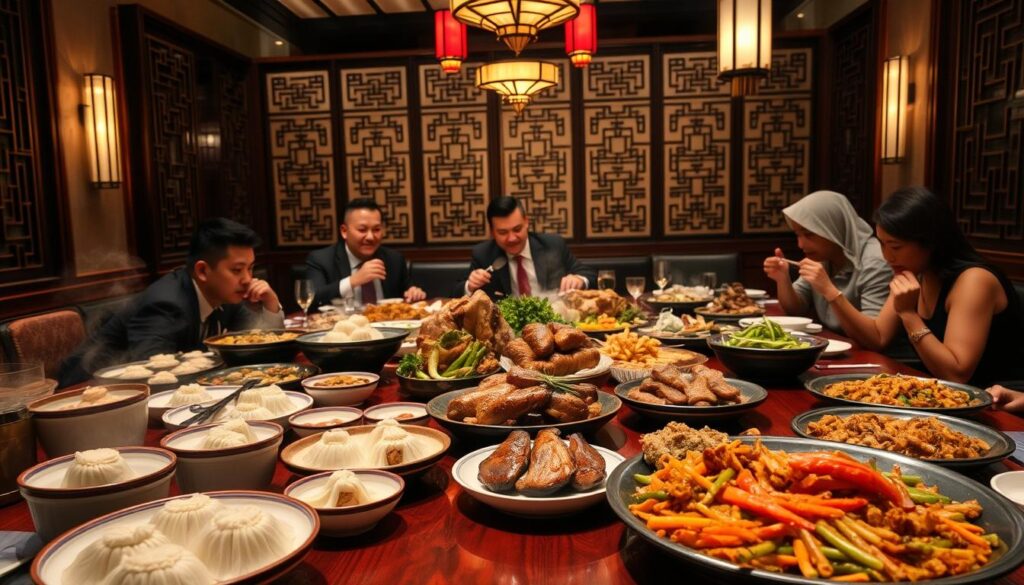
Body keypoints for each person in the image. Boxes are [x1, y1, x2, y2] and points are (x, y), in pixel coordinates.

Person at [817, 186, 1024, 387]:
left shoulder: (974, 281)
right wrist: (831, 293)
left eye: (896, 246)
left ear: (931, 241)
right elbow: (878, 337)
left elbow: (957, 373)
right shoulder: (917, 271)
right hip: (942, 396)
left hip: (996, 407)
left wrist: (908, 314)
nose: (887, 256)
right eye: (882, 244)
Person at [59, 218, 284, 387]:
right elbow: (155, 377)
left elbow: (254, 344)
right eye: (237, 269)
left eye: (251, 268)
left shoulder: (227, 294)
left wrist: (271, 305)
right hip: (86, 393)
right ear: (203, 271)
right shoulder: (166, 305)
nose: (247, 279)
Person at [763, 190, 893, 334]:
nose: (800, 245)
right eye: (797, 235)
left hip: (878, 353)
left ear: (833, 229)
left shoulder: (876, 261)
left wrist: (828, 289)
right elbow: (796, 308)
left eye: (809, 234)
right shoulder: (823, 256)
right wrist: (783, 279)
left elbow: (874, 334)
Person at [460, 196, 596, 299]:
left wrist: (579, 279)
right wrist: (470, 286)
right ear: (492, 232)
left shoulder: (553, 244)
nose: (512, 238)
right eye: (503, 232)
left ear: (526, 222)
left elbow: (589, 274)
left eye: (517, 229)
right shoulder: (483, 254)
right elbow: (455, 292)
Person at [306, 198, 425, 310]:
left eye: (376, 229)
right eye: (362, 230)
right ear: (344, 231)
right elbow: (312, 298)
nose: (370, 237)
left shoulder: (394, 259)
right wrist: (352, 281)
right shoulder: (321, 259)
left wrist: (413, 293)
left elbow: (407, 294)